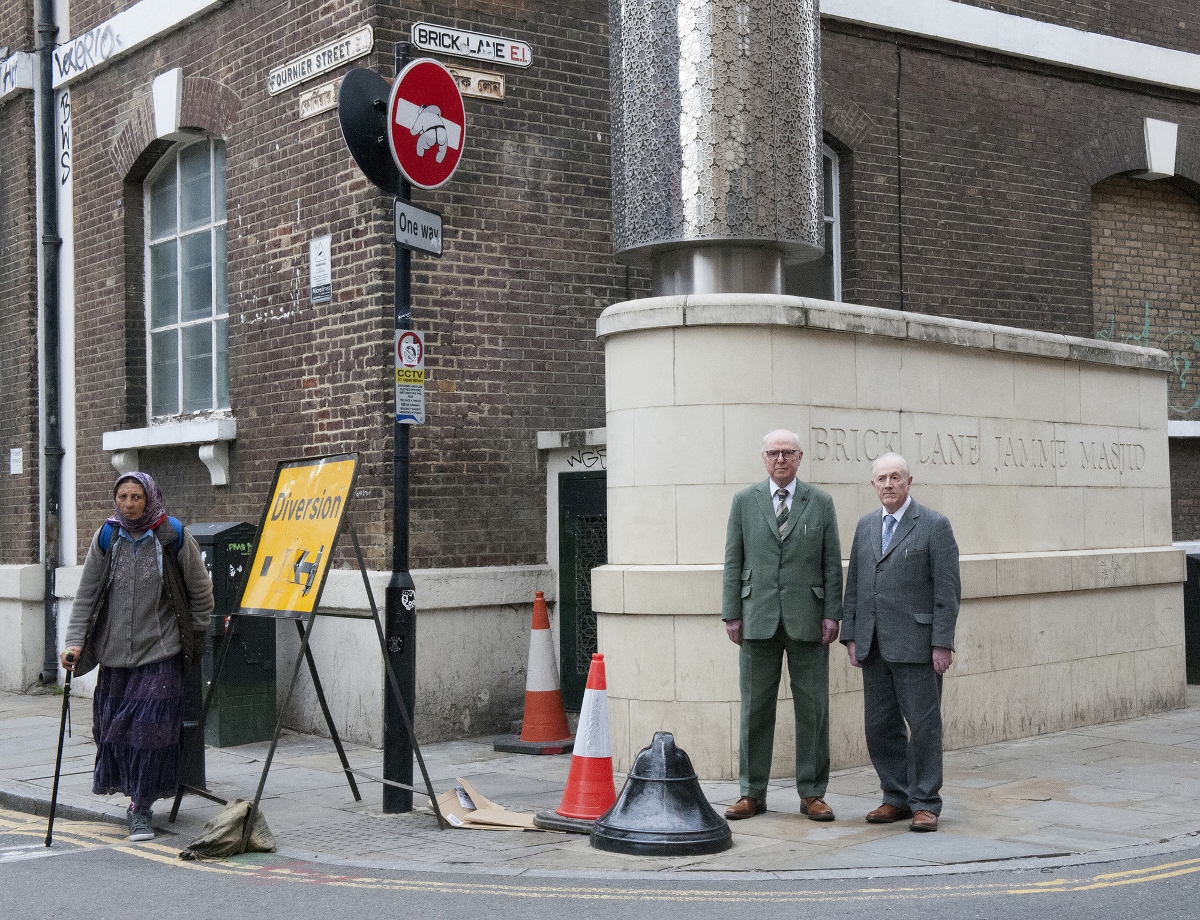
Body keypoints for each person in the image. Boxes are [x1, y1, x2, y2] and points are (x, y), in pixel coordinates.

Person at [61, 472, 213, 842]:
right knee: (114, 734)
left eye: (136, 497)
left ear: (150, 498)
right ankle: (133, 792)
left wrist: (195, 636)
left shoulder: (171, 535)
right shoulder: (107, 537)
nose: (129, 504)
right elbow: (86, 595)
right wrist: (74, 641)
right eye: (123, 496)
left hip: (160, 654)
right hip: (114, 657)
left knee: (150, 734)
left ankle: (141, 808)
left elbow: (200, 590)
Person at [722, 429, 843, 821]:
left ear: (800, 457)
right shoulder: (744, 502)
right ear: (763, 458)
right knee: (755, 708)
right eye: (773, 453)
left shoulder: (821, 502)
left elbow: (831, 563)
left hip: (808, 618)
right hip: (757, 617)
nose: (780, 459)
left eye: (787, 453)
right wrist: (732, 613)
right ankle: (751, 792)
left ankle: (812, 793)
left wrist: (832, 613)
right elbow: (733, 560)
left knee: (813, 709)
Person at [841, 452, 960, 833]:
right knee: (880, 726)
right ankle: (894, 796)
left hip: (917, 646)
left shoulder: (934, 525)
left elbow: (947, 590)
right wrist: (851, 636)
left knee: (924, 727)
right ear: (873, 485)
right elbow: (855, 585)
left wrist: (942, 643)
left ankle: (925, 802)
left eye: (895, 477)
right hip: (874, 645)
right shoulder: (865, 526)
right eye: (881, 479)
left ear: (910, 482)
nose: (888, 484)